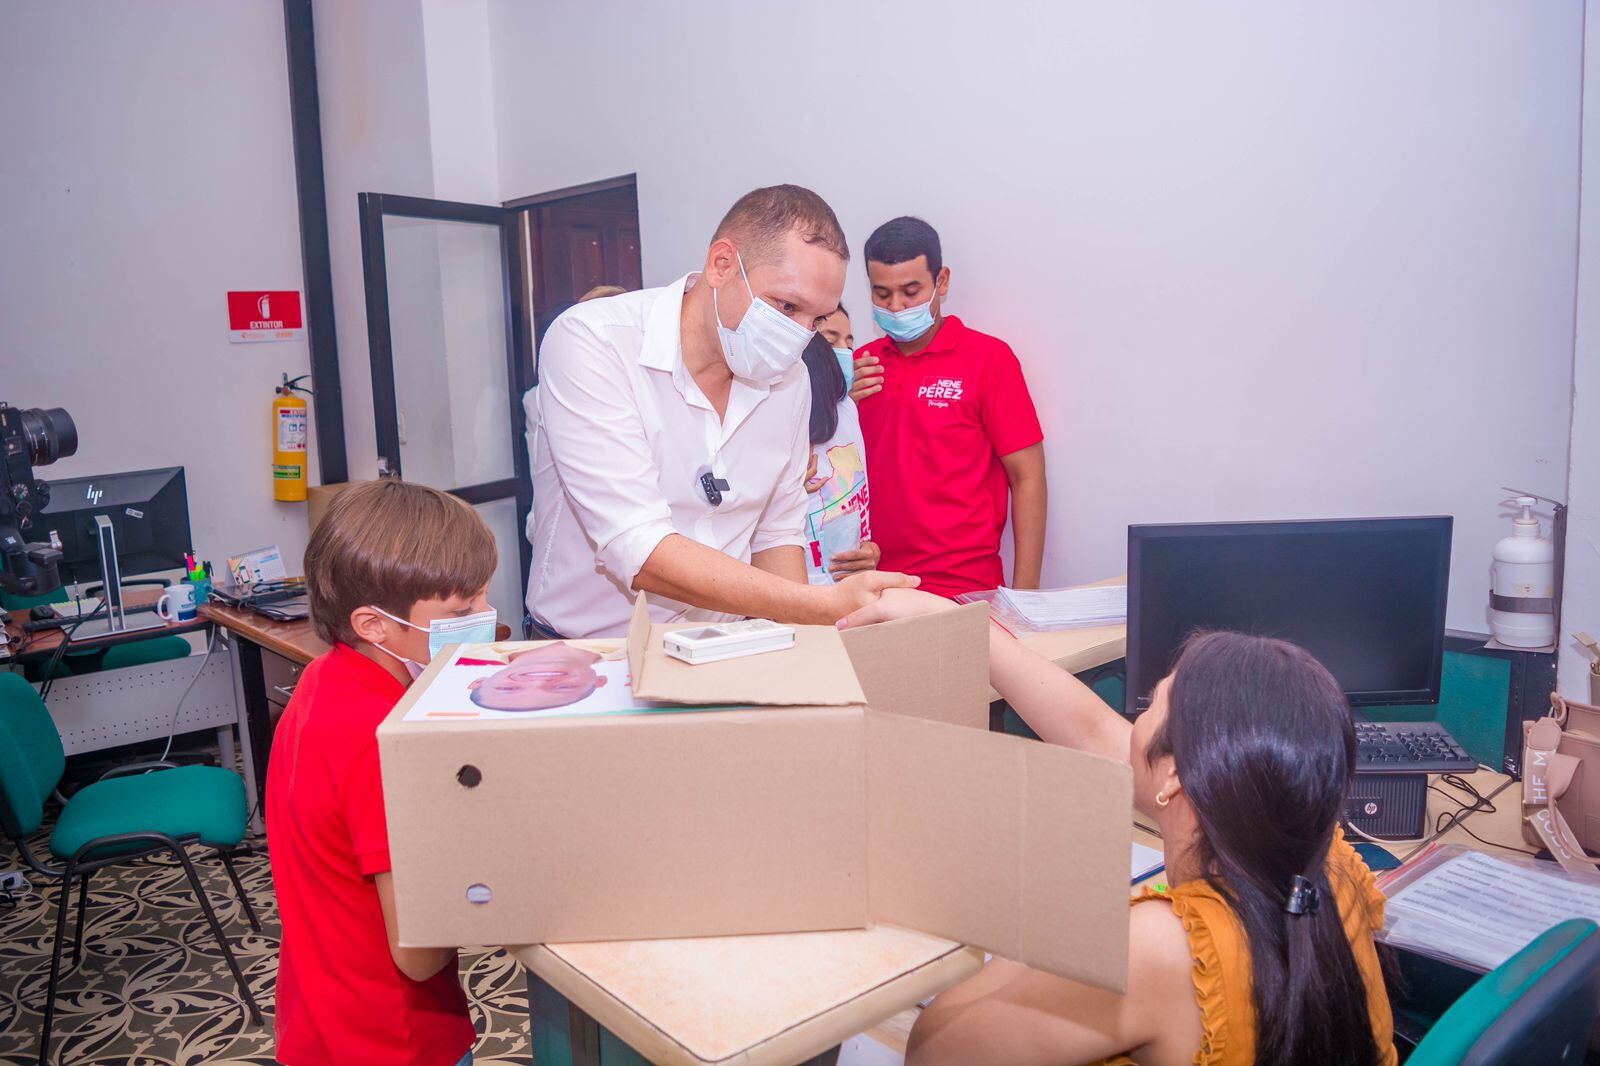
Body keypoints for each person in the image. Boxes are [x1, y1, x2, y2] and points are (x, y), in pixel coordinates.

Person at [841, 590, 1397, 1066]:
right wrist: (960, 625)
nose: (1135, 720)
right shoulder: (1318, 859)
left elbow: (935, 1050)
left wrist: (1036, 920)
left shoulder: (1161, 951)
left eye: (1153, 704)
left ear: (1174, 775)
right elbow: (1093, 732)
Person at [526, 185, 915, 638]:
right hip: (591, 651)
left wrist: (807, 642)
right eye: (787, 306)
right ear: (722, 264)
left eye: (817, 320)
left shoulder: (791, 381)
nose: (798, 337)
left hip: (722, 644)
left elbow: (777, 533)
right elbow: (637, 546)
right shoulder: (595, 341)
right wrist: (819, 605)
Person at [268, 479, 498, 1065]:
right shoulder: (380, 741)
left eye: (484, 599)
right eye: (461, 612)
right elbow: (417, 955)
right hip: (395, 1039)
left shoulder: (324, 679)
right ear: (373, 624)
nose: (485, 619)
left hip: (323, 1018)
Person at [849, 216, 1047, 596]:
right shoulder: (860, 366)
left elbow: (1028, 477)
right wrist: (840, 405)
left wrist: (1025, 596)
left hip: (964, 588)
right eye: (882, 293)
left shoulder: (989, 360)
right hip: (873, 585)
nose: (896, 306)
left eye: (911, 291)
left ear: (941, 282)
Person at [799, 306, 878, 584]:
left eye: (849, 343)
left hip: (850, 592)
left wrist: (870, 551)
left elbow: (855, 502)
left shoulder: (847, 410)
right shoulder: (777, 423)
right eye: (831, 342)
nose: (844, 353)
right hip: (800, 593)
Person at [468, 641, 609, 711]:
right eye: (563, 687)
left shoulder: (473, 650)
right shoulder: (621, 652)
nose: (538, 682)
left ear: (479, 682)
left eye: (508, 688)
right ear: (599, 681)